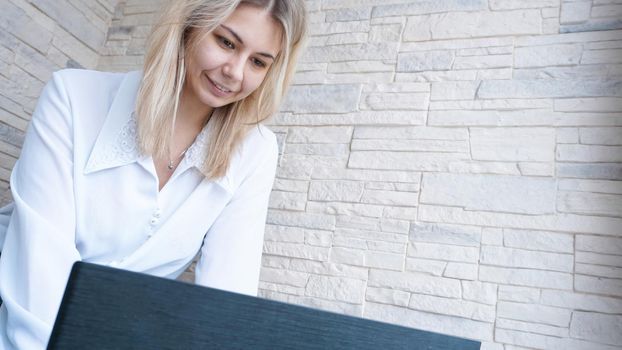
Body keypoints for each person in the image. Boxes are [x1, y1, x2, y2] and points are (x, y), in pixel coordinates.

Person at [0, 0, 307, 348]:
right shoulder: (72, 96)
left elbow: (227, 300)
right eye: (226, 42)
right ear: (188, 27)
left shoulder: (255, 152)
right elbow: (38, 277)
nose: (235, 72)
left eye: (257, 62)